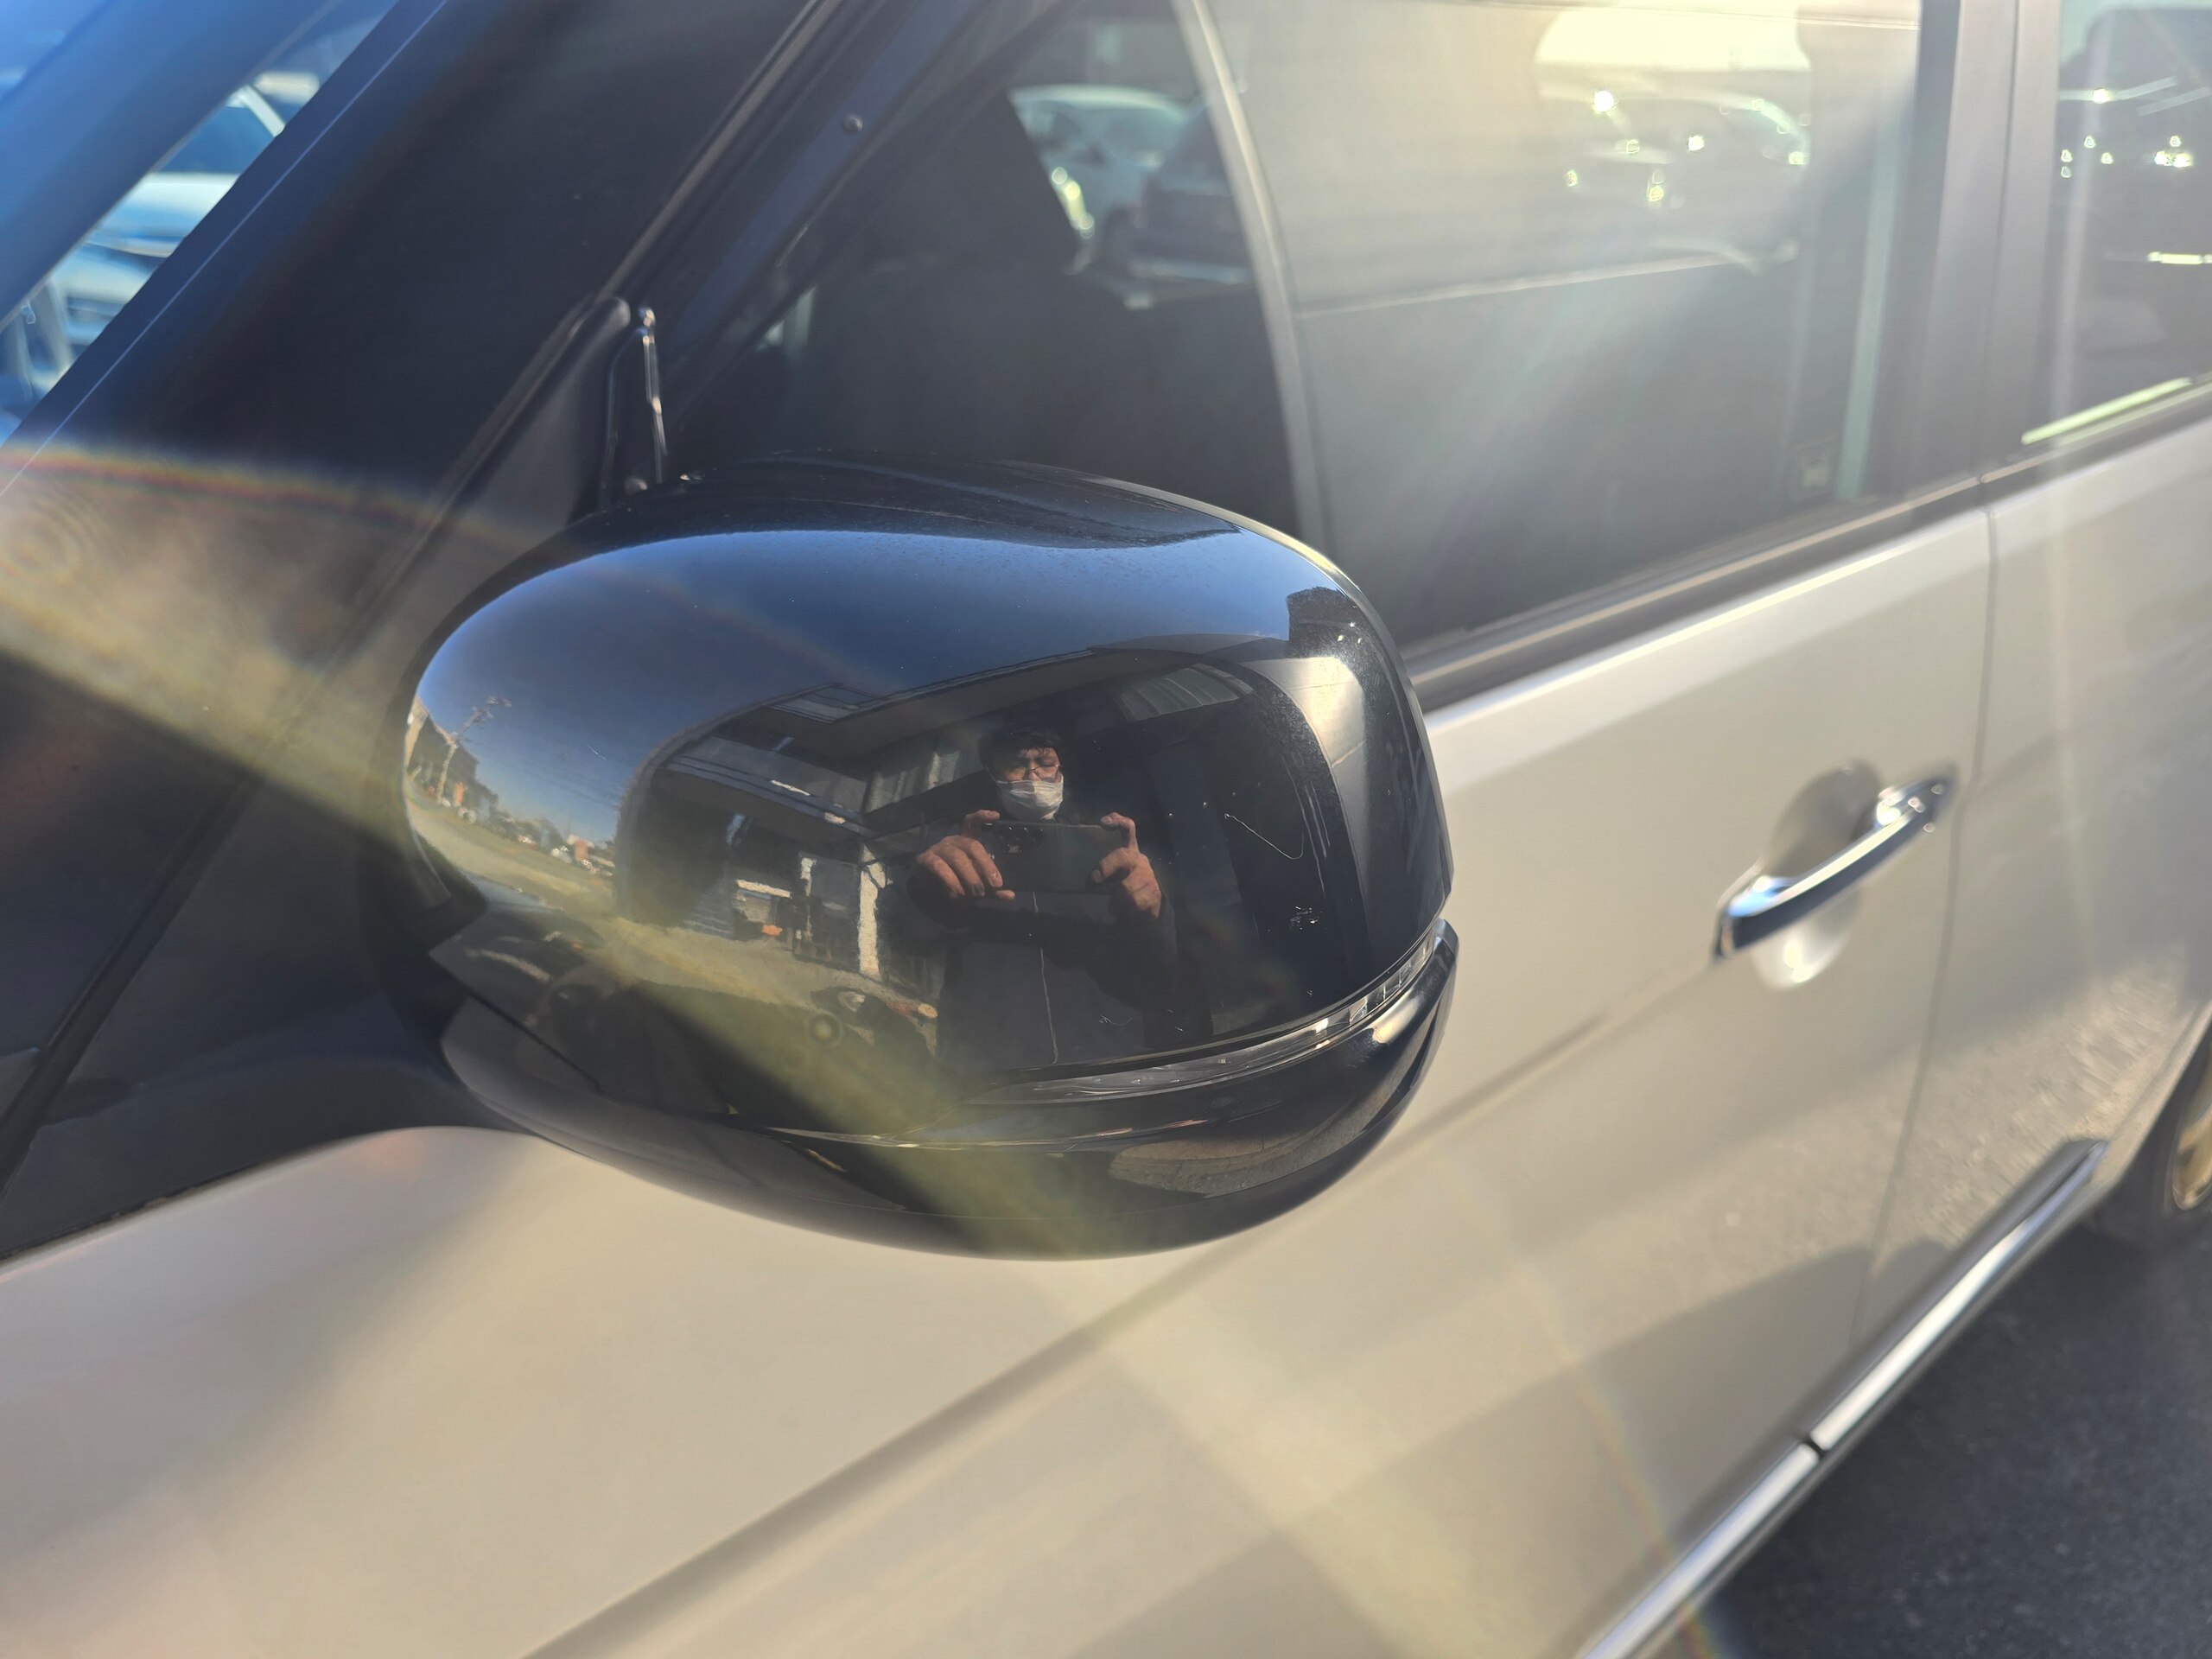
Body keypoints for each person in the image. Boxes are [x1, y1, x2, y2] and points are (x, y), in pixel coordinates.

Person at [909, 726, 1177, 1072]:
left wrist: (1155, 911)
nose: (1032, 776)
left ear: (1060, 771)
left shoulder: (1102, 848)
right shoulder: (958, 850)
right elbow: (904, 939)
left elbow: (1161, 971)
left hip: (1112, 1065)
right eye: (1015, 765)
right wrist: (925, 889)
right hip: (989, 1075)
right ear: (994, 775)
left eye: (1045, 763)